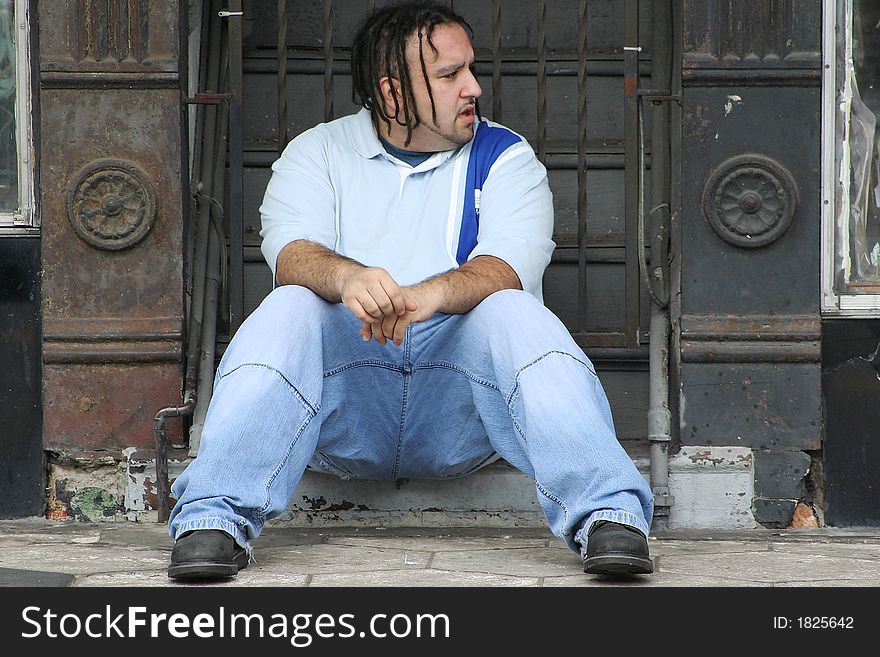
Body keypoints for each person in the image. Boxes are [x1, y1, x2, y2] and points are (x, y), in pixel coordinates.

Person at [166, 0, 654, 581]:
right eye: (450, 75)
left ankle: (611, 515)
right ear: (393, 94)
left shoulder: (505, 156)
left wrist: (429, 295)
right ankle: (212, 519)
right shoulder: (317, 151)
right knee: (289, 304)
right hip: (347, 404)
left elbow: (508, 265)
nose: (473, 87)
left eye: (469, 69)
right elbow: (292, 254)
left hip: (458, 409)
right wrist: (350, 278)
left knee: (513, 311)